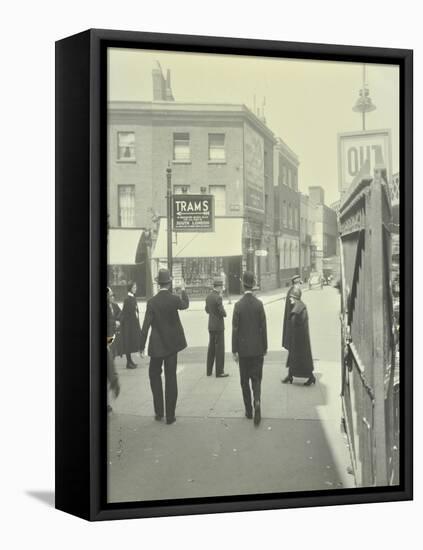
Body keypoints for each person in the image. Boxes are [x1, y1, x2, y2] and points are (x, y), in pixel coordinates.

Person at [140, 268, 189, 424]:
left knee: (154, 376)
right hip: (172, 346)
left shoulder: (151, 302)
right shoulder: (174, 299)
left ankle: (159, 412)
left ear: (158, 283)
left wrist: (141, 346)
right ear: (169, 283)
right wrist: (183, 290)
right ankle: (170, 416)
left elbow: (146, 325)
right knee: (171, 379)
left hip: (156, 347)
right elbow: (185, 305)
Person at [232, 271, 267, 426]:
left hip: (244, 351)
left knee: (244, 380)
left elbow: (235, 329)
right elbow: (263, 328)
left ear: (242, 284)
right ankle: (257, 401)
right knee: (257, 379)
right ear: (253, 284)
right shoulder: (259, 304)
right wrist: (265, 347)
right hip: (258, 349)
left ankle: (248, 410)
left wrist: (234, 350)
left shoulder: (238, 305)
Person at [283, 287, 315, 386]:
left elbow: (293, 325)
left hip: (298, 341)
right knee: (296, 359)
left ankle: (311, 377)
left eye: (291, 297)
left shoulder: (297, 310)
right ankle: (290, 376)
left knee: (299, 360)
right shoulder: (301, 306)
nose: (290, 299)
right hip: (300, 340)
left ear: (296, 298)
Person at [205, 277, 228, 378]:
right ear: (218, 287)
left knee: (211, 349)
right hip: (218, 326)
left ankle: (209, 371)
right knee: (219, 349)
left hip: (211, 325)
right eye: (221, 287)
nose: (222, 289)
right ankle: (219, 372)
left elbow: (207, 310)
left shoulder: (208, 297)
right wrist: (224, 311)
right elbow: (222, 312)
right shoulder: (218, 297)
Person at [281, 274, 302, 383]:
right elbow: (295, 310)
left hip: (291, 325)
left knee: (295, 351)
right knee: (298, 351)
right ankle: (291, 375)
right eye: (299, 283)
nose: (300, 285)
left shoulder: (291, 290)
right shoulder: (294, 292)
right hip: (293, 326)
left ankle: (290, 375)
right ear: (296, 283)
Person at [120, 281, 142, 369]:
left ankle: (130, 362)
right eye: (134, 287)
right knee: (128, 343)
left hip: (133, 324)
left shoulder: (132, 297)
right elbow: (125, 312)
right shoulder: (127, 299)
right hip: (128, 325)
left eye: (136, 287)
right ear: (130, 288)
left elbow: (135, 311)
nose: (136, 288)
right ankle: (128, 363)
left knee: (131, 342)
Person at [107, 288, 120, 413]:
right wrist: (114, 322)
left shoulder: (114, 306)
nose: (112, 297)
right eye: (110, 295)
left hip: (111, 340)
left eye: (113, 295)